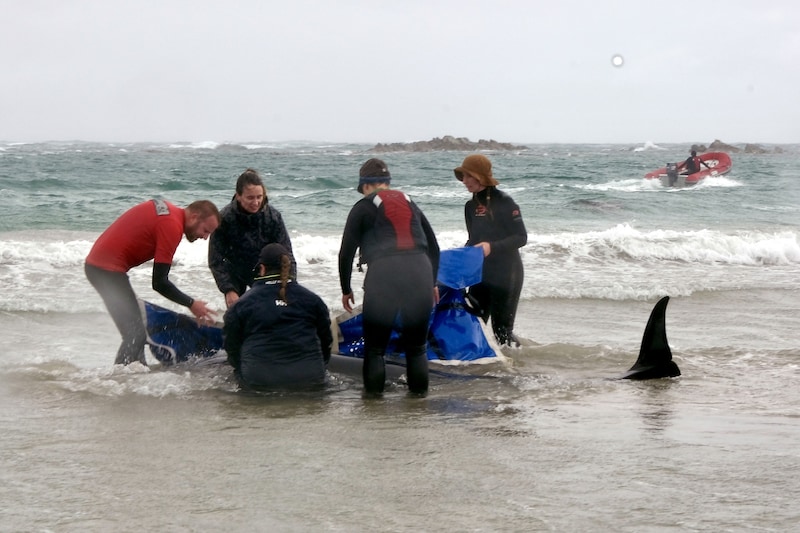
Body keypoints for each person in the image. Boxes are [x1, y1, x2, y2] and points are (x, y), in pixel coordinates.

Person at [338, 158, 440, 396]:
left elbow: (346, 253)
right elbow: (433, 248)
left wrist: (346, 289)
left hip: (384, 274)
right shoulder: (410, 203)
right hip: (420, 272)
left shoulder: (362, 207)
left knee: (375, 350)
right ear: (388, 183)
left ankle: (373, 408)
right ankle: (418, 407)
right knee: (416, 348)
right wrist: (432, 283)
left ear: (365, 185)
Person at [85, 199, 220, 365]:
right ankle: (120, 380)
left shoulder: (169, 212)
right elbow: (159, 283)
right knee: (135, 334)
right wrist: (192, 303)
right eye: (205, 230)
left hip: (101, 268)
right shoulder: (172, 226)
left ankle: (132, 375)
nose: (205, 238)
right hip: (105, 271)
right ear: (194, 216)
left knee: (135, 333)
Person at [223, 243, 332, 391]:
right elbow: (326, 341)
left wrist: (242, 368)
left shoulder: (242, 305)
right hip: (310, 379)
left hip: (260, 381)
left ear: (262, 269)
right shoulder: (313, 300)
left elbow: (231, 346)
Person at [454, 154, 527, 347]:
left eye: (469, 176)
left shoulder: (505, 201)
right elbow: (474, 239)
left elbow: (521, 237)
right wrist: (458, 260)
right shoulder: (470, 206)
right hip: (482, 275)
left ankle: (515, 368)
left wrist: (491, 246)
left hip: (507, 273)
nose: (465, 181)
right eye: (463, 176)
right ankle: (476, 367)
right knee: (471, 324)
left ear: (481, 176)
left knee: (502, 332)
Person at [208, 168, 295, 309]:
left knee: (271, 310)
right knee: (237, 311)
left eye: (259, 197)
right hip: (235, 271)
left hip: (264, 270)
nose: (255, 202)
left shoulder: (273, 217)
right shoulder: (225, 218)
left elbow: (286, 254)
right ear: (238, 196)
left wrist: (290, 283)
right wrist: (228, 289)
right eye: (250, 198)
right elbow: (215, 259)